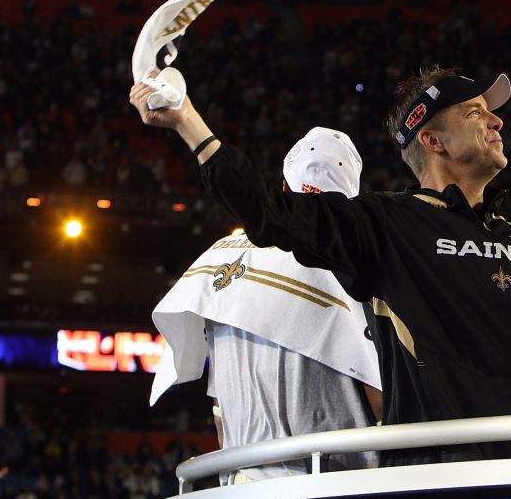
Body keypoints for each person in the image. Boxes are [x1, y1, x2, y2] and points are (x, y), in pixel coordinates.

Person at [129, 66, 511, 465]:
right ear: (433, 139)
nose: (497, 123)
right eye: (475, 112)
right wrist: (189, 123)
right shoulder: (386, 225)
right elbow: (271, 214)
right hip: (426, 494)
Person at [148, 127, 382, 479]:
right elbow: (380, 399)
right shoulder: (359, 268)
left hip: (244, 488)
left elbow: (218, 405)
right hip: (335, 496)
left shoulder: (216, 258)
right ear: (347, 201)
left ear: (284, 186)